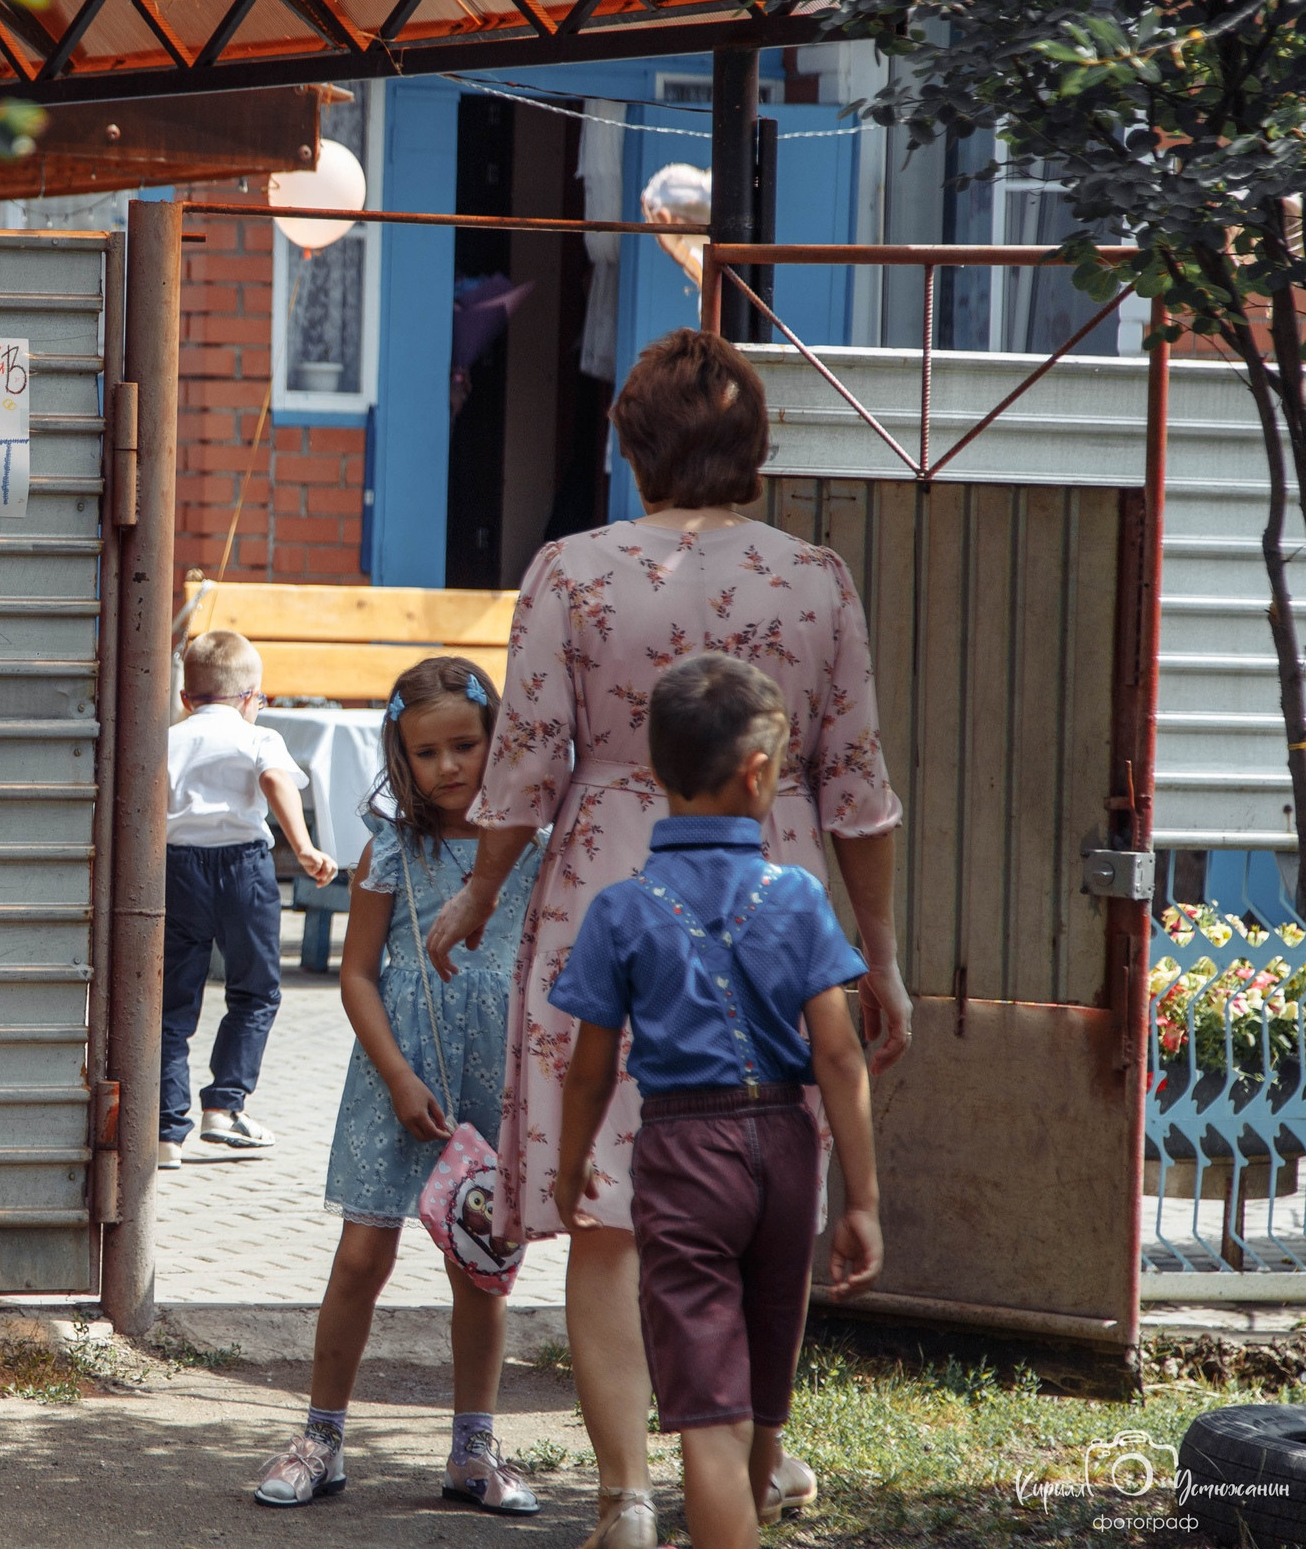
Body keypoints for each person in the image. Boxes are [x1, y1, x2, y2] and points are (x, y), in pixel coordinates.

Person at [424, 329, 913, 1549]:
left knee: (609, 1214)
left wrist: (482, 892)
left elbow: (527, 766)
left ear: (626, 443)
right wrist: (884, 953)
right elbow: (855, 787)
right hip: (772, 892)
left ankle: (626, 1497)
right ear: (756, 448)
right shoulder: (816, 579)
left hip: (608, 894)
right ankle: (751, 1460)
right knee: (761, 1189)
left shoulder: (571, 572)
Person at [548, 653, 883, 1549]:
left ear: (658, 772)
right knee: (765, 1362)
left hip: (682, 1156)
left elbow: (588, 1070)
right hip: (786, 1143)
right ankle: (763, 1471)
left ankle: (727, 1486)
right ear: (761, 772)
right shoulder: (798, 895)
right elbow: (841, 1056)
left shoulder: (621, 909)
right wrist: (860, 1198)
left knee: (707, 1417)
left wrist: (571, 1159)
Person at [254, 657, 546, 1516]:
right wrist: (395, 1073)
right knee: (360, 1257)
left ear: (500, 742)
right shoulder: (392, 847)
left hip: (495, 1079)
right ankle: (320, 1437)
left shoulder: (534, 845)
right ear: (401, 756)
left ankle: (471, 1450)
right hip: (399, 1078)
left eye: (467, 744)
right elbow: (354, 975)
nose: (449, 766)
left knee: (483, 1268)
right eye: (428, 752)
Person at [161, 629, 336, 1168]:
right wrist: (304, 847)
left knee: (172, 1003)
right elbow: (275, 781)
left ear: (187, 697)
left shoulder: (168, 737)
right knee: (255, 990)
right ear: (249, 697)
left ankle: (166, 1134)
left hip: (178, 868)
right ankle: (225, 1106)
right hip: (244, 869)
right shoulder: (257, 737)